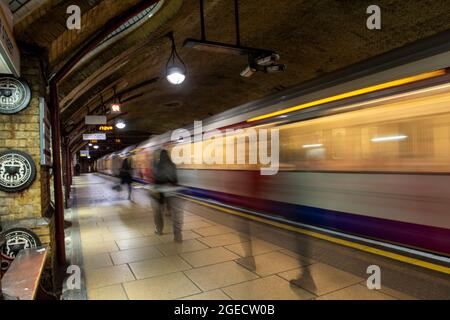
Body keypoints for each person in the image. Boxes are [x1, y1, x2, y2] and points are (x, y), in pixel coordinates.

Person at [151, 149, 182, 242]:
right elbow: (176, 179)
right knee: (176, 214)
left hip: (160, 191)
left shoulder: (157, 165)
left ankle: (159, 230)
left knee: (158, 212)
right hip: (172, 191)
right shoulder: (173, 165)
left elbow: (155, 177)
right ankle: (178, 235)